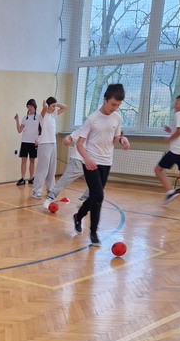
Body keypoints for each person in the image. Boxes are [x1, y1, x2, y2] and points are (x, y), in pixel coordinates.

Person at [73, 83, 130, 246]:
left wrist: (123, 139)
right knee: (98, 196)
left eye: (118, 105)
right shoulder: (92, 119)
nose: (114, 108)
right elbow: (79, 144)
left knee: (95, 196)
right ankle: (93, 232)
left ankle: (78, 216)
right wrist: (87, 159)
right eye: (113, 104)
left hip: (106, 162)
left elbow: (115, 139)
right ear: (105, 99)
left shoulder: (117, 118)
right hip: (91, 162)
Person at [32, 96, 67, 200]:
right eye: (53, 106)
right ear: (48, 106)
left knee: (52, 169)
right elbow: (44, 109)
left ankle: (50, 189)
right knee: (42, 169)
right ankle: (36, 191)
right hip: (44, 144)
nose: (54, 108)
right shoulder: (42, 116)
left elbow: (65, 107)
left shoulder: (53, 115)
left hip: (53, 143)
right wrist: (46, 106)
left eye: (55, 107)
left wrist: (56, 104)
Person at [43, 129, 85, 209]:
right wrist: (67, 140)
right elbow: (69, 137)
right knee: (65, 179)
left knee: (96, 183)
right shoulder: (84, 129)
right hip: (77, 160)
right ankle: (50, 197)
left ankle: (84, 199)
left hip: (92, 161)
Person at [14, 100, 38, 186]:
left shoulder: (39, 117)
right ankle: (23, 178)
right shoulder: (25, 118)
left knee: (32, 160)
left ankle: (31, 178)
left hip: (34, 142)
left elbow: (41, 130)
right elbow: (19, 130)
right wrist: (17, 120)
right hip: (25, 141)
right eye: (28, 106)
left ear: (34, 106)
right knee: (23, 160)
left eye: (31, 106)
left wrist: (38, 139)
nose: (29, 108)